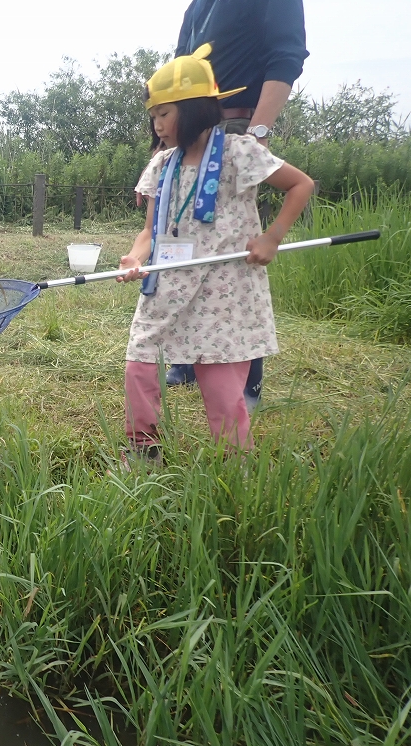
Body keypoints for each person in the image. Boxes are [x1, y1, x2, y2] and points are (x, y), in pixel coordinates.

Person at [117, 45, 314, 465]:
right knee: (140, 366)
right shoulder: (161, 165)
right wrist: (135, 257)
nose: (157, 124)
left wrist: (272, 238)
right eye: (153, 116)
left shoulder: (239, 152)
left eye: (164, 113)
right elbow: (150, 231)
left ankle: (234, 467)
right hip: (166, 286)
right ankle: (142, 450)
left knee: (221, 387)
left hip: (224, 291)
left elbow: (301, 185)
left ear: (194, 109)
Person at [165, 0, 309, 407]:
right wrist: (165, 141)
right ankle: (189, 359)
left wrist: (256, 133)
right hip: (189, 132)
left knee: (232, 254)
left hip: (237, 126)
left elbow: (286, 54)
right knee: (184, 246)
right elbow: (180, 72)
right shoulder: (196, 7)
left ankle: (248, 380)